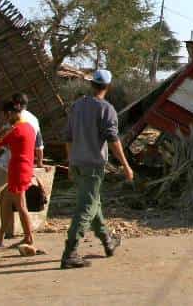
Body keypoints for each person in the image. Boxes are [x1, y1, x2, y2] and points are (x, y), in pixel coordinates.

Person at [61, 69, 134, 269]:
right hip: (93, 166)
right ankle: (70, 253)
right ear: (108, 87)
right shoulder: (106, 109)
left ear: (91, 84)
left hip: (77, 163)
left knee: (94, 204)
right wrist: (126, 165)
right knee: (86, 208)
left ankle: (108, 242)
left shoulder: (77, 106)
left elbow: (68, 136)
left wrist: (70, 162)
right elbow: (113, 139)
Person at [0, 99, 38, 249]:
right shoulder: (29, 127)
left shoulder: (15, 130)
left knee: (20, 205)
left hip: (17, 169)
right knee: (6, 202)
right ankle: (0, 236)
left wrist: (0, 132)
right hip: (25, 168)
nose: (5, 119)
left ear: (10, 113)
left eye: (5, 115)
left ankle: (28, 237)